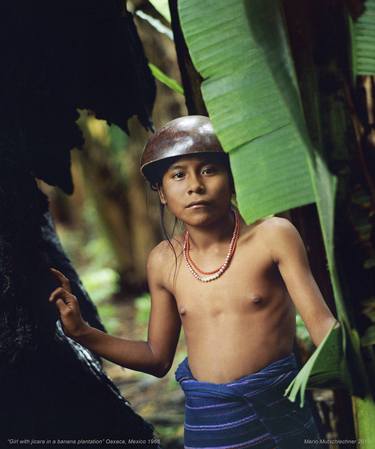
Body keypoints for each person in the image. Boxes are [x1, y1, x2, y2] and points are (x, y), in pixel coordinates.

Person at [49, 115, 338, 449]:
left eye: (209, 170)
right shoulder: (164, 260)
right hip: (209, 423)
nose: (195, 186)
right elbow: (157, 358)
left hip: (279, 412)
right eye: (178, 175)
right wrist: (83, 333)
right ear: (161, 193)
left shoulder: (272, 236)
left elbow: (323, 328)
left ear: (231, 178)